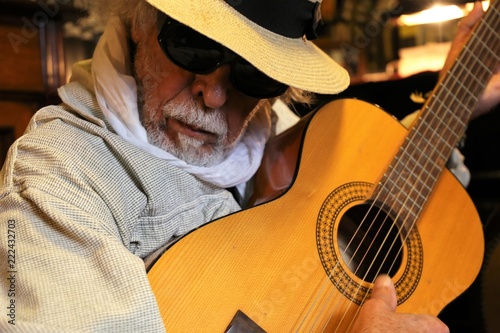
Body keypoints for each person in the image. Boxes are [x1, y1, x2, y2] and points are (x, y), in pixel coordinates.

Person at [0, 0, 498, 332]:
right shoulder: (57, 178)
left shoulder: (265, 130)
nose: (214, 93)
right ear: (138, 18)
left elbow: (373, 171)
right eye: (190, 45)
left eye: (254, 73)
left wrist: (452, 99)